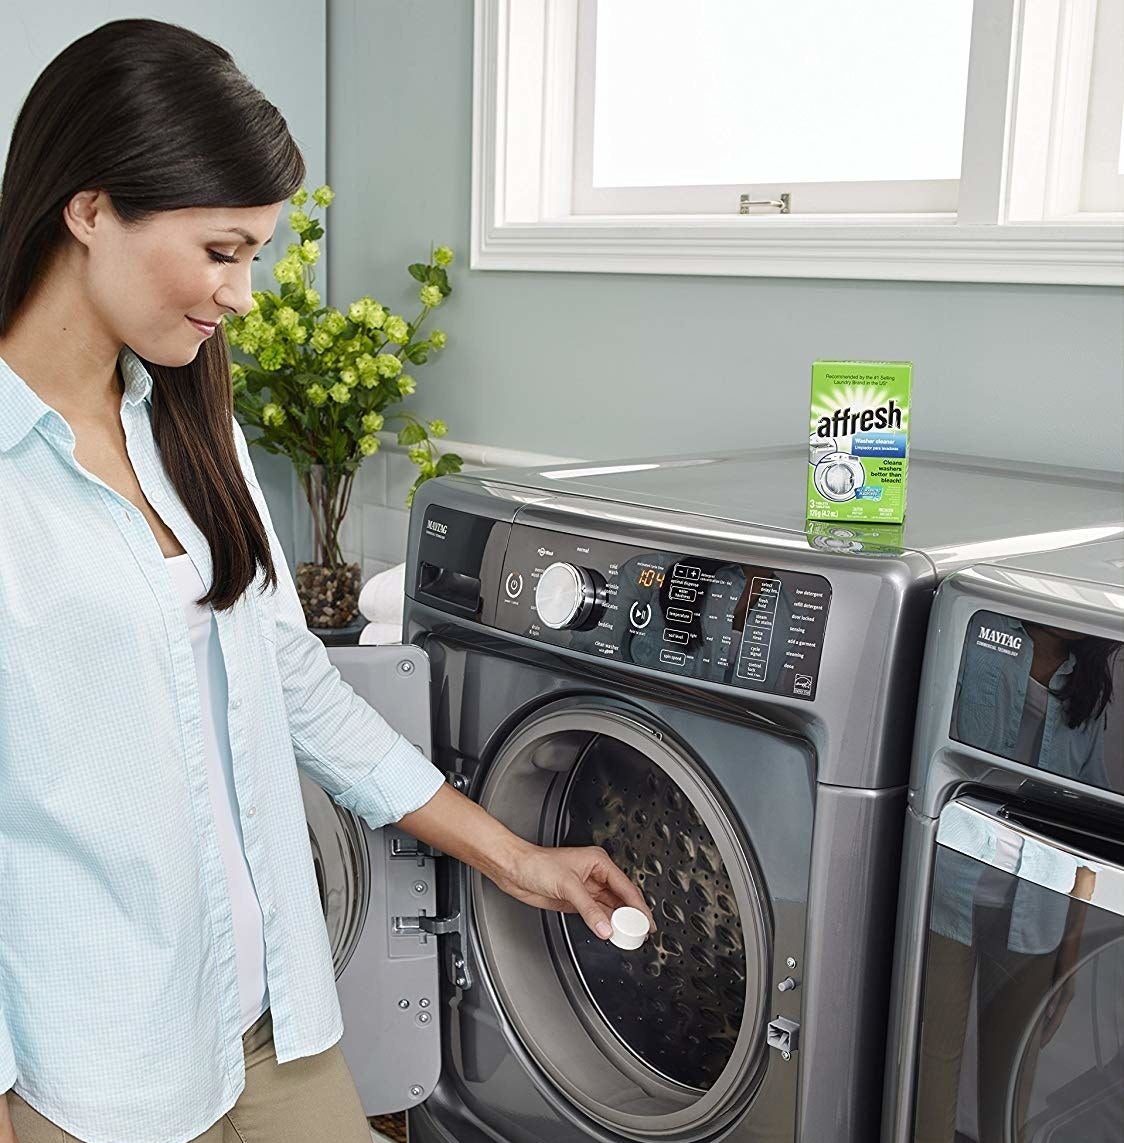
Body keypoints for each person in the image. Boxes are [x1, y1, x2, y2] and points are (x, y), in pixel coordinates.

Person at [0, 19, 654, 1143]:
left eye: (254, 253)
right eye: (220, 250)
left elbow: (289, 683)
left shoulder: (189, 432)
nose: (243, 294)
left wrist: (515, 856)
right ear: (90, 206)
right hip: (81, 1078)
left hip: (270, 1027)